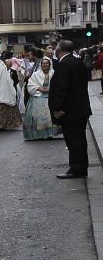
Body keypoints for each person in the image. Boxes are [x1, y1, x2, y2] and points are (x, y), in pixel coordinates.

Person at [49, 39, 92, 179]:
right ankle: (81, 168)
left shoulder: (64, 64)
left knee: (73, 141)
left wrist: (57, 107)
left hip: (70, 110)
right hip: (81, 109)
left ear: (59, 51)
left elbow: (62, 88)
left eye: (56, 48)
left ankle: (76, 169)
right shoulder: (78, 62)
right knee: (80, 140)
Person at [23, 57, 57, 141]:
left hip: (51, 97)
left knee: (49, 117)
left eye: (47, 63)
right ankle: (38, 134)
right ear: (40, 65)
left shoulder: (54, 73)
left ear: (50, 65)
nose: (45, 65)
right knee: (37, 117)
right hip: (38, 96)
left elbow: (59, 84)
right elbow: (30, 85)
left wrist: (51, 89)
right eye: (43, 63)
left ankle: (49, 134)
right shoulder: (35, 74)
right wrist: (38, 88)